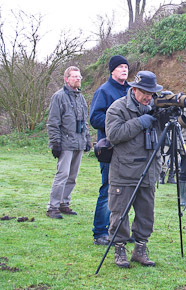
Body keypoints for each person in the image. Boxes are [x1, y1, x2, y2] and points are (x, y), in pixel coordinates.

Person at [105, 70, 163, 268]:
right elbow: (114, 134)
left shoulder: (154, 107)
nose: (148, 97)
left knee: (146, 214)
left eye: (151, 93)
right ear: (134, 89)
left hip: (149, 170)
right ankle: (119, 249)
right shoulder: (117, 108)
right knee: (119, 213)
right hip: (124, 171)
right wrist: (139, 122)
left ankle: (140, 249)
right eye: (145, 92)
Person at [89, 55, 130, 245]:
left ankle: (120, 231)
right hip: (110, 147)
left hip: (131, 149)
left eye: (126, 67)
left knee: (128, 191)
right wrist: (116, 123)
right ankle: (100, 232)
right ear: (112, 70)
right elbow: (95, 118)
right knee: (108, 189)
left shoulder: (132, 91)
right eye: (120, 66)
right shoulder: (103, 91)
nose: (124, 69)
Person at [46, 66, 91, 219]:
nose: (78, 79)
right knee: (62, 175)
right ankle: (52, 207)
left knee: (72, 177)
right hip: (65, 144)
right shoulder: (58, 97)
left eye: (79, 76)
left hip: (78, 143)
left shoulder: (81, 98)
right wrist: (55, 143)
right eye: (75, 77)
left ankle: (64, 203)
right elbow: (53, 122)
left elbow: (85, 121)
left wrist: (87, 140)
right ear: (66, 79)